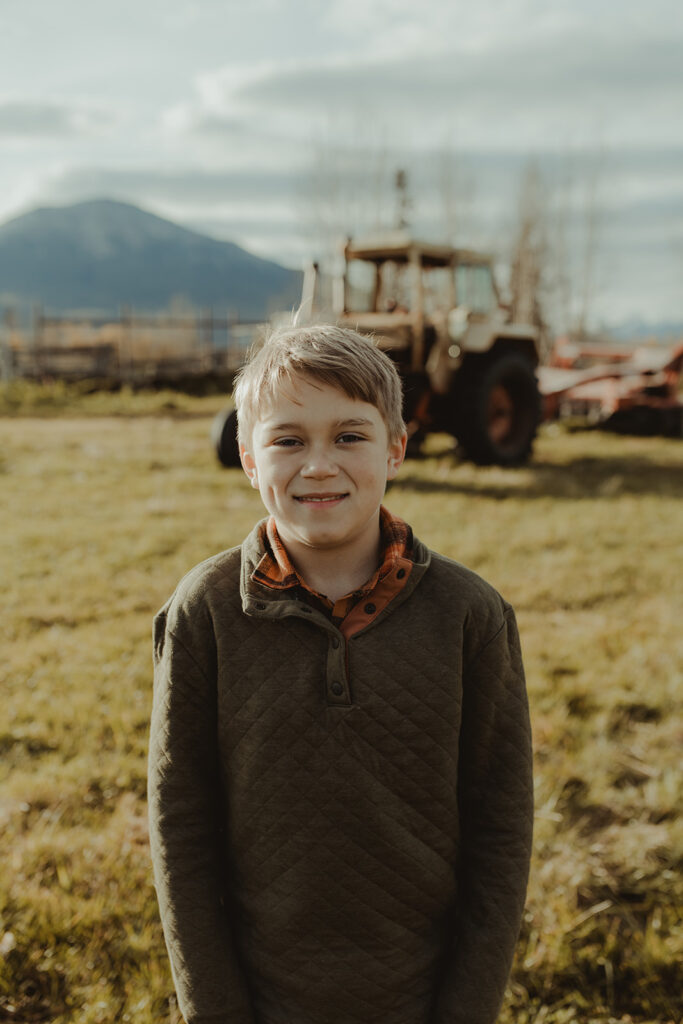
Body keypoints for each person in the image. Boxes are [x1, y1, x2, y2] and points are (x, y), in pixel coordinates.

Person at [148, 324, 534, 1024]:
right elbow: (181, 828)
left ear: (395, 447)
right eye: (288, 440)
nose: (318, 465)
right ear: (246, 456)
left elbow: (499, 830)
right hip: (257, 996)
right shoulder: (200, 612)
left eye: (349, 436)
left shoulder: (471, 615)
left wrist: (465, 1008)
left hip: (422, 996)